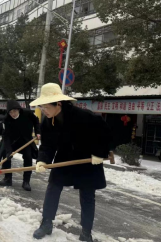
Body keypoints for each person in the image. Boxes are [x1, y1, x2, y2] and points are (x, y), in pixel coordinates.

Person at [31, 83, 110, 242]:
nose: (43, 110)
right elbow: (47, 145)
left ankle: (86, 232)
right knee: (53, 186)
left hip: (88, 159)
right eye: (42, 107)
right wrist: (42, 160)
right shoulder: (47, 122)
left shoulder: (84, 116)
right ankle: (46, 223)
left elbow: (104, 134)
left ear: (58, 104)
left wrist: (99, 153)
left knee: (87, 195)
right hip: (65, 157)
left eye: (46, 107)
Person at [0, 100, 40, 191]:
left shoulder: (27, 113)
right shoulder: (7, 119)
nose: (13, 114)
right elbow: (6, 136)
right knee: (6, 155)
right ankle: (7, 179)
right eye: (10, 112)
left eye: (15, 111)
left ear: (19, 109)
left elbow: (36, 121)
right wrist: (9, 151)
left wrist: (38, 132)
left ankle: (26, 181)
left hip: (26, 140)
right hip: (13, 141)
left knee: (28, 157)